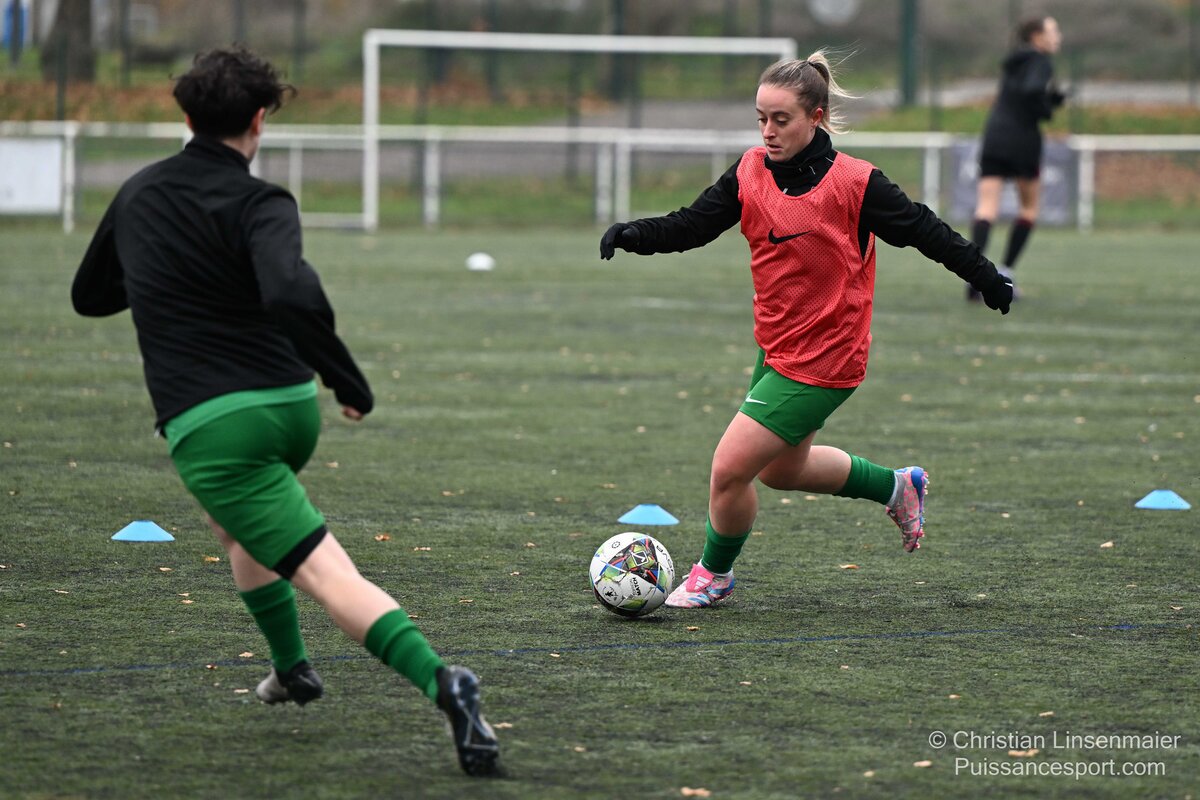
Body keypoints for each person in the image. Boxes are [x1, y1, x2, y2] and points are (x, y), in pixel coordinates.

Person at [70, 47, 500, 777]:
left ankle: (444, 683)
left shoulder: (139, 193)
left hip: (215, 426)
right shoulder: (264, 202)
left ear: (186, 117)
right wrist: (345, 381)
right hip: (289, 405)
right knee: (235, 524)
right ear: (259, 120)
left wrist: (161, 278)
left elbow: (90, 295)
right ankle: (291, 670)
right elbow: (290, 291)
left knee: (328, 577)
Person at [599, 52, 1013, 608]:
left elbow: (926, 230)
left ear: (816, 117)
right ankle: (896, 486)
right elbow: (692, 225)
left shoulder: (856, 184)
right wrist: (634, 234)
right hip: (776, 348)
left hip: (828, 358)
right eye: (761, 119)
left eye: (781, 119)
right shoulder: (749, 172)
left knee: (729, 469)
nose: (768, 131)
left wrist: (986, 277)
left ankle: (713, 575)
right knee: (780, 471)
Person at [968, 15, 1065, 301]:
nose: (1058, 36)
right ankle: (1004, 274)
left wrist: (1047, 100)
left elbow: (1020, 92)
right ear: (1037, 36)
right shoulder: (1041, 61)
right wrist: (1048, 107)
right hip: (1023, 139)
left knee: (986, 208)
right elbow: (1032, 91)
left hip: (995, 135)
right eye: (1053, 31)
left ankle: (974, 277)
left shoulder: (1014, 61)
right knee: (1029, 209)